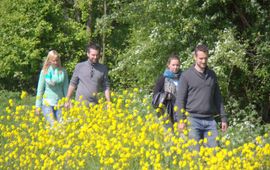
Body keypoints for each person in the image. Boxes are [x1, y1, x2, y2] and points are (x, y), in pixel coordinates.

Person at [175, 44, 228, 150]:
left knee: (214, 154)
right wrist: (181, 120)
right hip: (192, 120)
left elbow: (218, 98)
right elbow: (180, 100)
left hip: (210, 121)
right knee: (195, 156)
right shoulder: (186, 75)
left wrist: (223, 118)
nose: (203, 61)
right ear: (195, 57)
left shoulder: (212, 75)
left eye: (205, 58)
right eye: (201, 58)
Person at [35, 50, 69, 126]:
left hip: (60, 103)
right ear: (49, 60)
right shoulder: (44, 72)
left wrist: (68, 101)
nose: (55, 62)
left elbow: (66, 88)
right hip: (47, 103)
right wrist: (38, 106)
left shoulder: (63, 71)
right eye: (53, 61)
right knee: (53, 126)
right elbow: (40, 90)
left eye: (57, 60)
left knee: (62, 127)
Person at [153, 54, 182, 130]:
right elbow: (155, 97)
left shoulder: (183, 78)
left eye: (177, 65)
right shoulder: (162, 79)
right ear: (168, 65)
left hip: (180, 113)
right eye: (173, 65)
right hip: (166, 112)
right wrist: (166, 96)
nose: (175, 67)